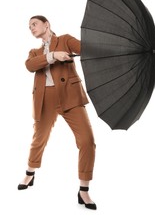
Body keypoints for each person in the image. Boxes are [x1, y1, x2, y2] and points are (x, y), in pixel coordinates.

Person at [18, 15, 97, 210]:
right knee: (39, 139)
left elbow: (86, 50)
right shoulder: (34, 51)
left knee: (87, 140)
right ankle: (30, 171)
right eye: (29, 27)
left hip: (70, 96)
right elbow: (29, 65)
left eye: (34, 24)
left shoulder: (65, 40)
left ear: (47, 24)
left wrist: (112, 47)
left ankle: (84, 189)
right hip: (44, 99)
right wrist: (54, 56)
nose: (31, 28)